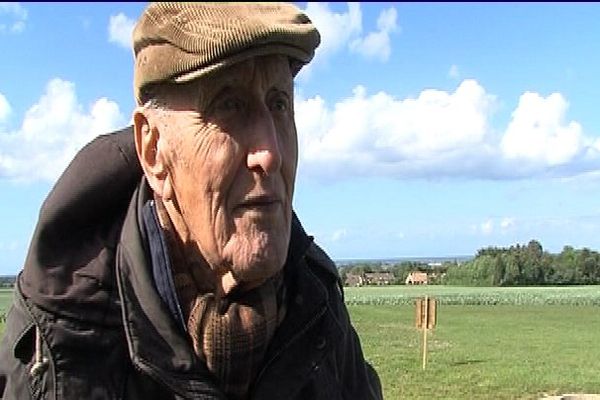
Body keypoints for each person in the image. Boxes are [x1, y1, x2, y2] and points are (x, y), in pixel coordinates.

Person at [0, 3, 382, 399]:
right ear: (154, 151)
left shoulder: (317, 306)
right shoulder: (64, 340)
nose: (270, 153)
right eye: (229, 106)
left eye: (279, 104)